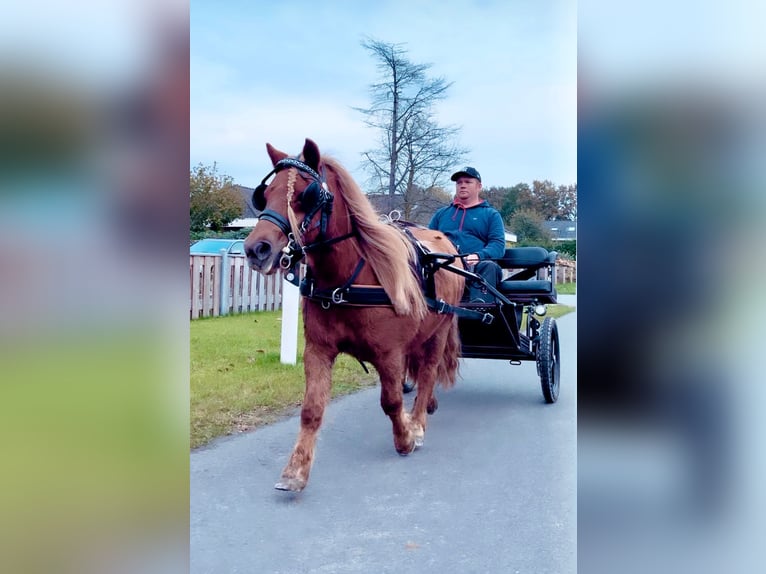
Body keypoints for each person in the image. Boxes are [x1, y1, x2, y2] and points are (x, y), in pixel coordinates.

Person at [429, 166, 506, 303]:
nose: (462, 185)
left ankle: (481, 309)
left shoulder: (491, 215)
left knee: (489, 267)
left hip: (474, 268)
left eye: (467, 182)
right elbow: (428, 240)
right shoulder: (441, 214)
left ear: (479, 186)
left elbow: (498, 246)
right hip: (444, 265)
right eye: (459, 183)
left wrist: (478, 256)